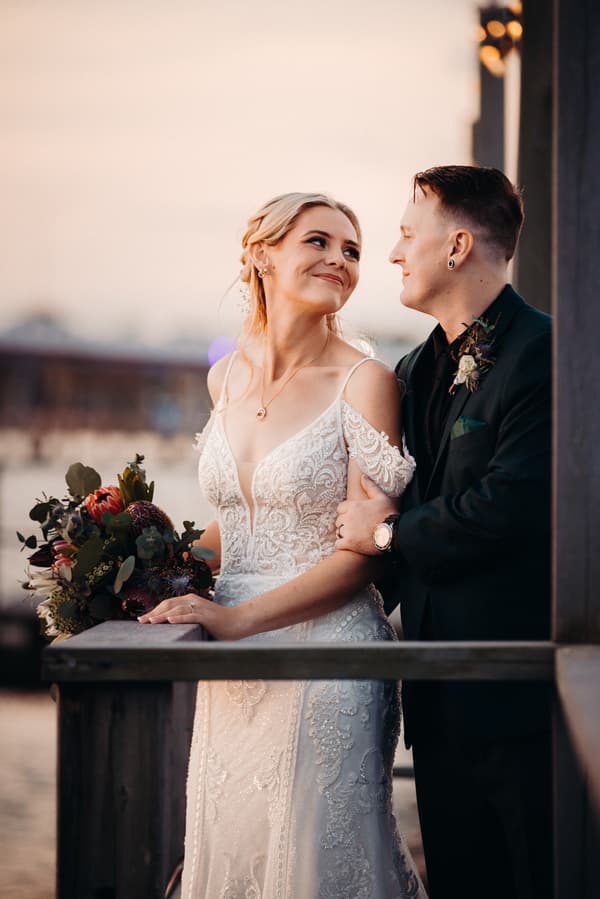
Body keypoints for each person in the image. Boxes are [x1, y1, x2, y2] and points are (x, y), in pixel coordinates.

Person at [140, 192, 426, 898]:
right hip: (234, 671)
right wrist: (143, 567)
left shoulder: (366, 383)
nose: (339, 260)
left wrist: (233, 619)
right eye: (319, 242)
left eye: (352, 251)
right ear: (263, 254)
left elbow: (366, 551)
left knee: (309, 862)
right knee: (234, 851)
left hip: (327, 659)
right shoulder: (226, 376)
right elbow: (238, 521)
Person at [335, 165, 552, 899]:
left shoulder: (545, 356)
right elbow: (366, 508)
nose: (393, 253)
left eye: (405, 234)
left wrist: (390, 534)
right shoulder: (413, 368)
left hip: (521, 706)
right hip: (433, 704)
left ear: (457, 245)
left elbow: (506, 509)